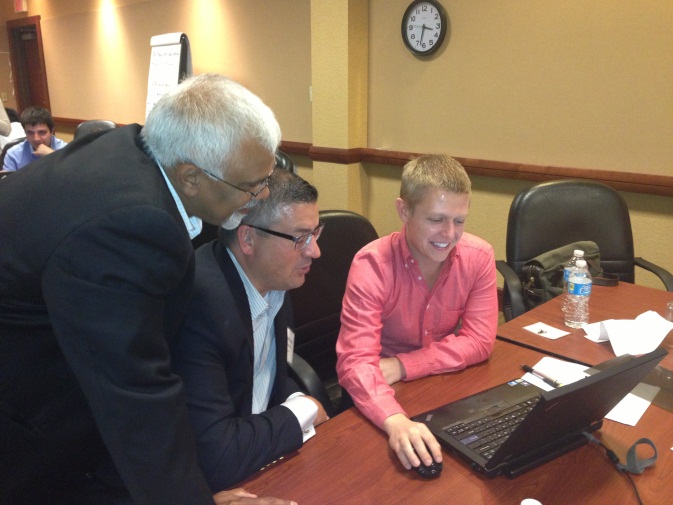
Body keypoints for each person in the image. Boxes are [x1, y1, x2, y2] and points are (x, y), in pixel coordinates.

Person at [0, 74, 295, 505]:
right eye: (251, 186)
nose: (262, 194)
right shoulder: (131, 224)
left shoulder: (138, 147)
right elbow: (137, 397)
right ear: (191, 177)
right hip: (25, 409)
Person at [335, 154, 498, 472]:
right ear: (404, 210)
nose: (449, 234)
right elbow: (356, 363)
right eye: (436, 219)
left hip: (434, 384)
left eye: (460, 220)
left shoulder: (478, 257)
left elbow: (480, 341)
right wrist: (395, 420)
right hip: (376, 392)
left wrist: (404, 365)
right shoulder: (372, 265)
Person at [172, 169, 329, 492]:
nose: (315, 251)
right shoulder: (200, 306)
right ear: (247, 239)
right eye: (301, 238)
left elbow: (264, 380)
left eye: (316, 233)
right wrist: (304, 408)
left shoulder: (276, 281)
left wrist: (294, 400)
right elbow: (217, 455)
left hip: (258, 459)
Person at [2, 105, 67, 170]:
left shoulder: (65, 149)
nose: (36, 139)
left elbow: (73, 175)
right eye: (30, 133)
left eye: (42, 132)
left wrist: (53, 156)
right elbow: (8, 180)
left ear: (52, 131)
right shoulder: (13, 155)